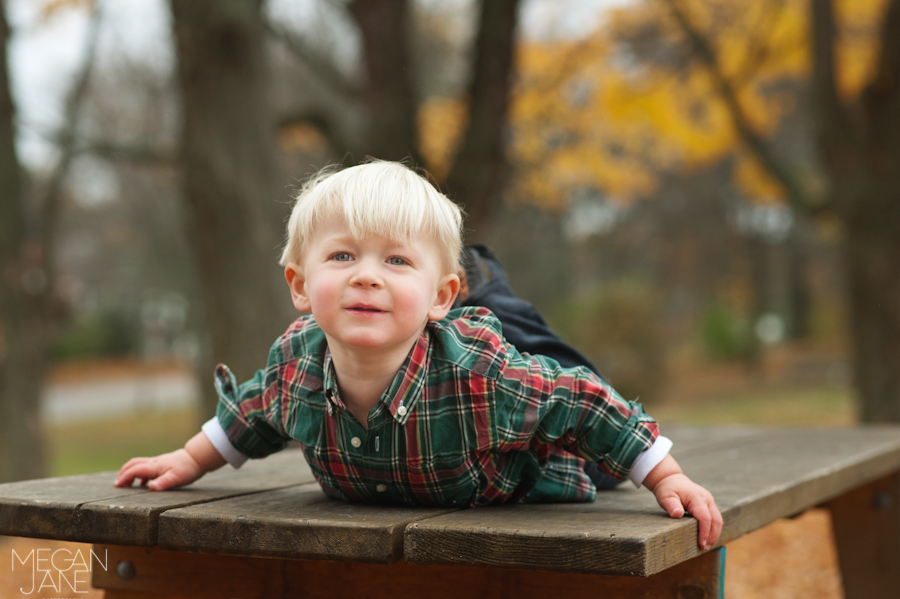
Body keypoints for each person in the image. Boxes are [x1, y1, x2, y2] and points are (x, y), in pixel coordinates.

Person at [115, 161, 722, 551]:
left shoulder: (482, 376)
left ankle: (490, 287)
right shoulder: (295, 363)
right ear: (300, 285)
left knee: (561, 385)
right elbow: (251, 412)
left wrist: (665, 476)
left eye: (395, 260)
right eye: (343, 257)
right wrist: (186, 460)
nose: (367, 277)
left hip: (546, 455)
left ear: (440, 297)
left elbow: (583, 402)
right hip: (436, 419)